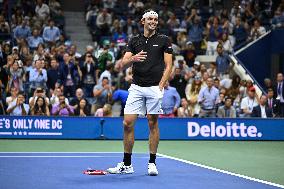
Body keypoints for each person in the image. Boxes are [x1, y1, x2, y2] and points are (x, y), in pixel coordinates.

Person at [107, 10, 173, 176]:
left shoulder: (164, 40)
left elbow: (169, 66)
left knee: (152, 123)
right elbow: (122, 64)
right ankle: (127, 164)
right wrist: (133, 59)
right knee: (127, 123)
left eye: (155, 19)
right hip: (136, 87)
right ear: (143, 21)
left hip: (154, 88)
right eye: (150, 19)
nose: (153, 21)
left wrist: (161, 85)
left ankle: (152, 162)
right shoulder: (134, 40)